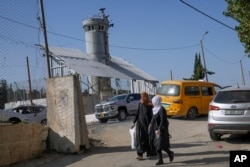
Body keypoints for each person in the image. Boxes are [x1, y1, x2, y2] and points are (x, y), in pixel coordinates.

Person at [149, 95, 174, 165]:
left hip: (161, 130)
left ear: (156, 102)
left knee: (160, 145)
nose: (152, 103)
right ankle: (163, 158)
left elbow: (163, 120)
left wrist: (159, 129)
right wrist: (150, 124)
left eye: (153, 102)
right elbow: (153, 118)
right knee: (158, 145)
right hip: (156, 129)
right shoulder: (154, 109)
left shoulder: (161, 109)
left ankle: (168, 154)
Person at [131, 92, 155, 160]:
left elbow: (152, 115)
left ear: (146, 97)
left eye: (144, 96)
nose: (142, 97)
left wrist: (151, 124)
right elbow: (137, 112)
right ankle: (140, 154)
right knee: (140, 138)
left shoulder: (150, 104)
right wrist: (133, 122)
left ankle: (149, 151)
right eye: (141, 96)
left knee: (148, 139)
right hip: (140, 124)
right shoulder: (140, 103)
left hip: (147, 124)